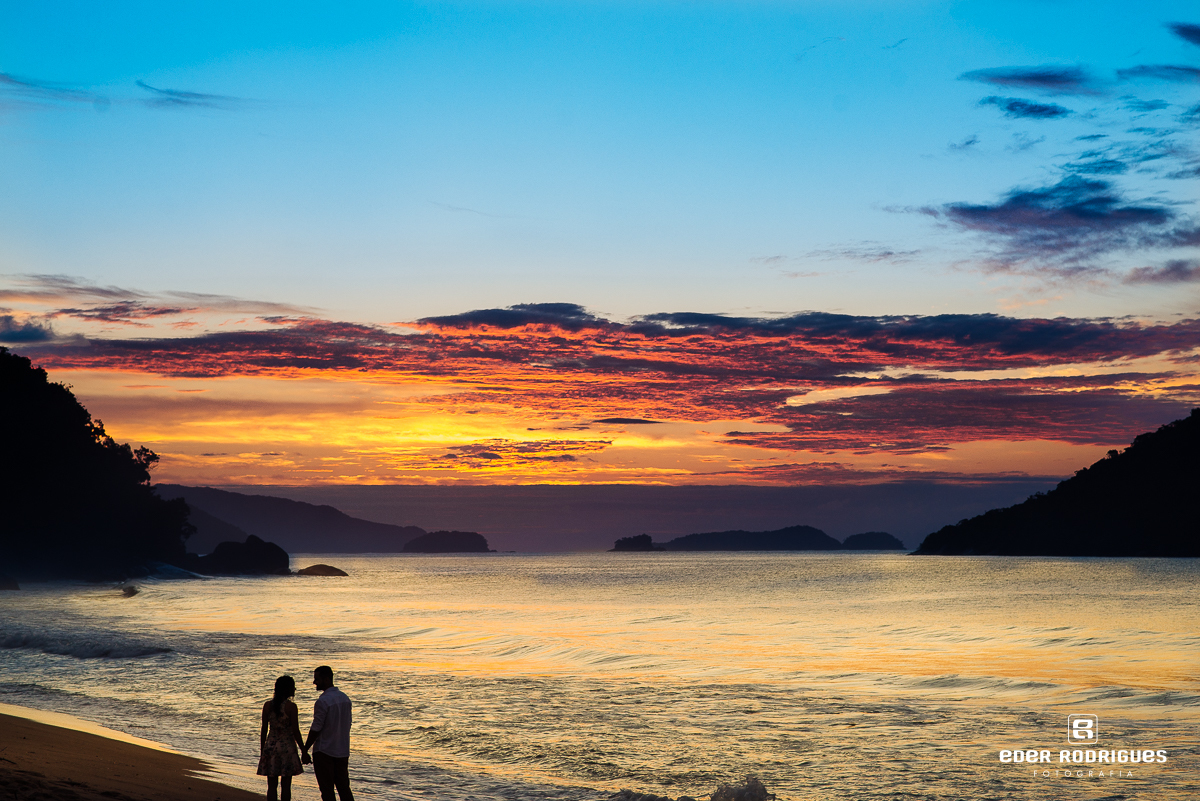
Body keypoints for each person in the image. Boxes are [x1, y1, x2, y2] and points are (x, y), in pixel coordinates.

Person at [304, 665, 354, 801]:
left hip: (324, 751)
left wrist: (305, 749)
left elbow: (316, 728)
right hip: (342, 750)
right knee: (344, 788)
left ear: (326, 679)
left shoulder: (323, 701)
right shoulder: (345, 699)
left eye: (317, 679)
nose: (314, 682)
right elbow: (348, 724)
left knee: (327, 790)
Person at [257, 675, 305, 801]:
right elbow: (296, 731)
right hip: (287, 747)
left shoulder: (267, 705)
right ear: (288, 689)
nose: (295, 689)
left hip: (271, 746)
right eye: (293, 687)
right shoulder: (291, 707)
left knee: (272, 786)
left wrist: (262, 749)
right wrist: (303, 750)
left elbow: (264, 729)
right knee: (286, 786)